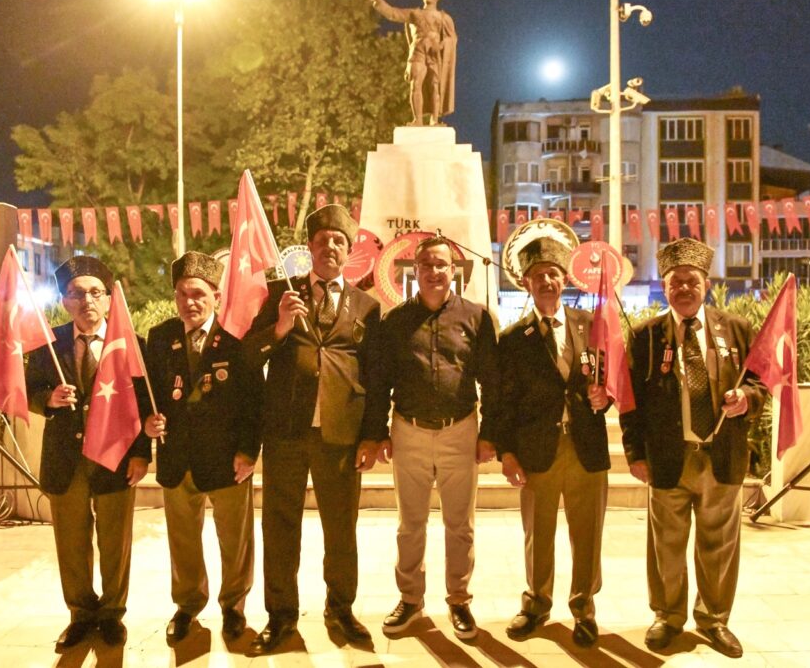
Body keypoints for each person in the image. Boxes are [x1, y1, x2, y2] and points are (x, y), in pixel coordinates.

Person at [243, 204, 381, 655]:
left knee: (341, 529)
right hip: (286, 431)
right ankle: (281, 616)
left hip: (341, 435)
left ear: (349, 250)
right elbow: (248, 356)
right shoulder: (281, 294)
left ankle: (341, 609)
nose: (330, 247)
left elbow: (376, 376)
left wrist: (372, 435)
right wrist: (281, 327)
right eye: (322, 241)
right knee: (280, 528)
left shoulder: (367, 306)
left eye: (338, 241)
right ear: (309, 248)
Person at [619, 238, 765, 659]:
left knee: (719, 545)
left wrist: (746, 399)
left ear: (707, 284)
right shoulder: (646, 336)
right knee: (666, 544)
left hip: (722, 455)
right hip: (669, 457)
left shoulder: (736, 329)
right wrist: (635, 454)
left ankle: (714, 618)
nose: (684, 288)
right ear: (664, 286)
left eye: (691, 281)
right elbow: (631, 401)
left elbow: (760, 382)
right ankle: (667, 616)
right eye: (675, 281)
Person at [361, 234, 499, 640]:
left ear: (453, 270)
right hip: (409, 432)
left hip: (460, 431)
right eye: (426, 265)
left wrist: (489, 434)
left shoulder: (476, 318)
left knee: (460, 525)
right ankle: (411, 599)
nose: (434, 271)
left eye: (441, 264)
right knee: (410, 524)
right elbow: (379, 382)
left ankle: (459, 599)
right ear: (415, 270)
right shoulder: (395, 322)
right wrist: (377, 433)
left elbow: (492, 382)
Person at [25, 256, 150, 652]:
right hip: (66, 460)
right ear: (65, 301)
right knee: (71, 543)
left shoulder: (130, 344)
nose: (87, 301)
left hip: (116, 458)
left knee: (115, 541)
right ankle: (80, 614)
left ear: (109, 299)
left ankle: (112, 614)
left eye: (96, 292)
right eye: (77, 294)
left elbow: (145, 404)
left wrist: (142, 455)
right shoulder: (47, 343)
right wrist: (48, 399)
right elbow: (28, 390)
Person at [496, 237, 611, 648]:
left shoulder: (592, 326)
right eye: (538, 275)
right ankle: (536, 603)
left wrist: (606, 395)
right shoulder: (513, 339)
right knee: (538, 533)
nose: (546, 280)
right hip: (537, 450)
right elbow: (502, 403)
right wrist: (506, 453)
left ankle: (584, 607)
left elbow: (613, 377)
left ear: (565, 279)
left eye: (553, 274)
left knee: (588, 534)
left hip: (585, 447)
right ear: (526, 283)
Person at [139, 252, 258, 645]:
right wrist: (148, 421)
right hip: (178, 457)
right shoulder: (160, 338)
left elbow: (254, 400)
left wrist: (249, 451)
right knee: (183, 539)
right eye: (182, 294)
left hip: (227, 458)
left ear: (216, 297)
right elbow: (149, 393)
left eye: (198, 294)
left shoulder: (236, 337)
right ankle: (188, 605)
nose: (190, 302)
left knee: (235, 539)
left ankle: (234, 605)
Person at [363, 0, 456, 126]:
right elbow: (392, 13)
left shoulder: (444, 18)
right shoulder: (415, 14)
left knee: (435, 86)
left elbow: (452, 38)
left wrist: (441, 45)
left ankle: (434, 120)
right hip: (418, 51)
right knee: (415, 84)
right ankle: (417, 119)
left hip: (433, 53)